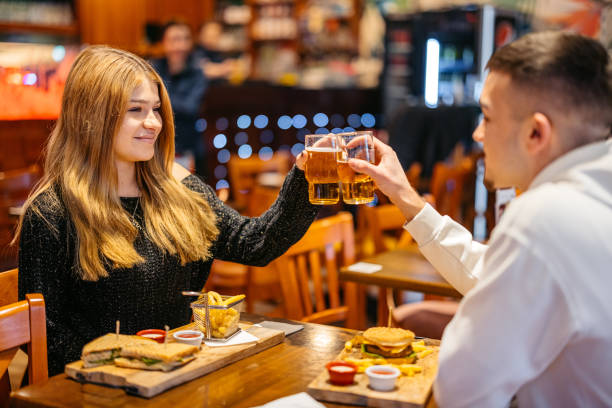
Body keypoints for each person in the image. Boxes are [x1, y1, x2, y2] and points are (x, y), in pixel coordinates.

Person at [15, 46, 319, 377]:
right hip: (103, 390)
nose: (153, 123)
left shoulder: (179, 189)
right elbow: (46, 337)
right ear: (91, 116)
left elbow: (256, 244)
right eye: (135, 109)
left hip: (183, 376)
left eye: (156, 109)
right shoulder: (51, 213)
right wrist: (129, 370)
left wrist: (307, 177)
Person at [347, 31, 612, 406]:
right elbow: (492, 272)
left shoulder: (547, 215)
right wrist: (405, 196)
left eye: (486, 117)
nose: (477, 134)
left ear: (536, 132)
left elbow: (461, 388)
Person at [150, 20, 207, 176]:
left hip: (186, 147)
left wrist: (160, 99)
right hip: (155, 147)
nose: (181, 45)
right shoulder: (152, 68)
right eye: (175, 40)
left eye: (185, 39)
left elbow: (190, 108)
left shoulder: (197, 73)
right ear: (164, 43)